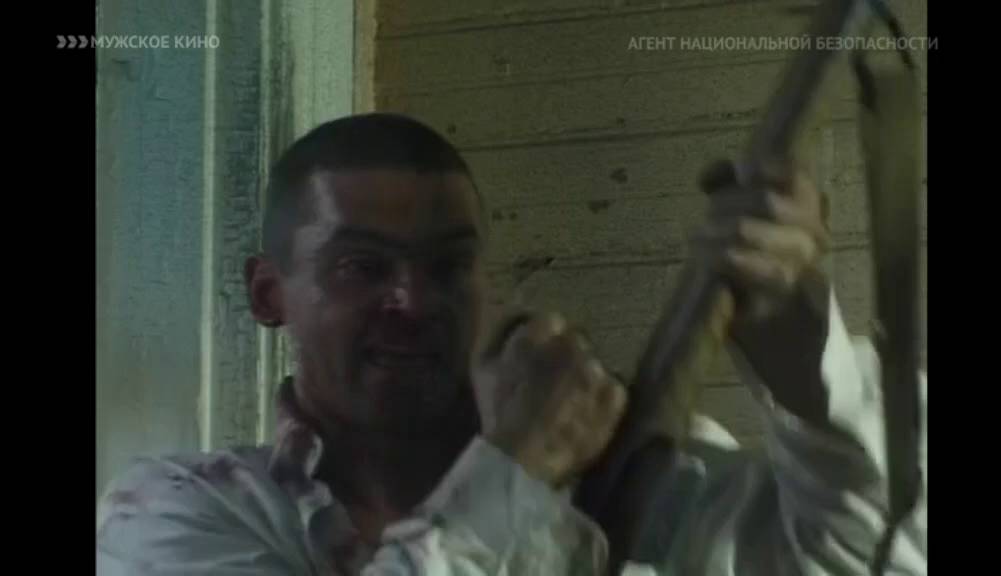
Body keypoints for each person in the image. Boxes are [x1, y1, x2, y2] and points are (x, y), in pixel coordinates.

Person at [96, 113, 927, 575]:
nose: (411, 301)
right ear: (267, 293)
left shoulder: (648, 479)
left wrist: (805, 369)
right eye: (361, 265)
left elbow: (887, 559)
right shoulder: (178, 513)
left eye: (447, 265)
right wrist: (520, 468)